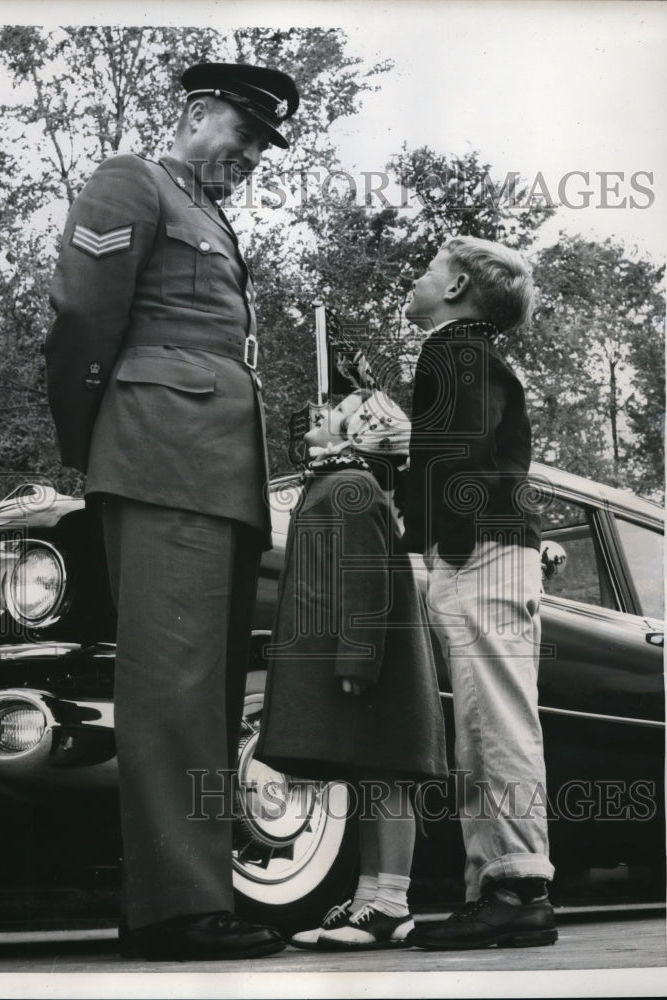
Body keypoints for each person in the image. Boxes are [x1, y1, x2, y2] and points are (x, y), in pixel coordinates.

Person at [44, 62, 299, 962]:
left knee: (210, 697)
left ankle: (193, 894)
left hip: (216, 471)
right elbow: (82, 316)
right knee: (174, 690)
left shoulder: (211, 214)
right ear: (194, 113)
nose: (255, 155)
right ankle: (175, 909)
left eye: (265, 144)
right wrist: (101, 442)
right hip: (162, 459)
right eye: (247, 132)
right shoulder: (134, 181)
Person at [402, 236, 558, 950]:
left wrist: (448, 542)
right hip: (497, 553)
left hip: (482, 556)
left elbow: (459, 456)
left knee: (492, 722)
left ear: (458, 286)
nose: (417, 279)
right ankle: (496, 889)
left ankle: (516, 889)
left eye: (429, 269)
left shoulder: (452, 350)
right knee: (486, 720)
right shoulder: (476, 354)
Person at [255, 389, 448, 950]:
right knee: (370, 777)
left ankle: (392, 903)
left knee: (389, 776)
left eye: (336, 412)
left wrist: (358, 656)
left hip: (379, 666)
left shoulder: (351, 486)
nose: (320, 413)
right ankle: (369, 898)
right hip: (367, 662)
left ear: (358, 434)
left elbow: (365, 577)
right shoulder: (339, 482)